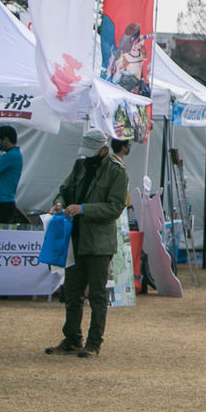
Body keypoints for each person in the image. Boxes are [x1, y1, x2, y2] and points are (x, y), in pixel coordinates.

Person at [44, 128, 129, 358]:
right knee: (72, 292)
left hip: (99, 242)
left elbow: (115, 208)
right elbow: (64, 190)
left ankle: (94, 342)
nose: (89, 155)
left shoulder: (116, 171)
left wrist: (83, 209)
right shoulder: (80, 165)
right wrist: (60, 203)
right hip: (75, 239)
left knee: (97, 294)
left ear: (104, 149)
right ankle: (72, 339)